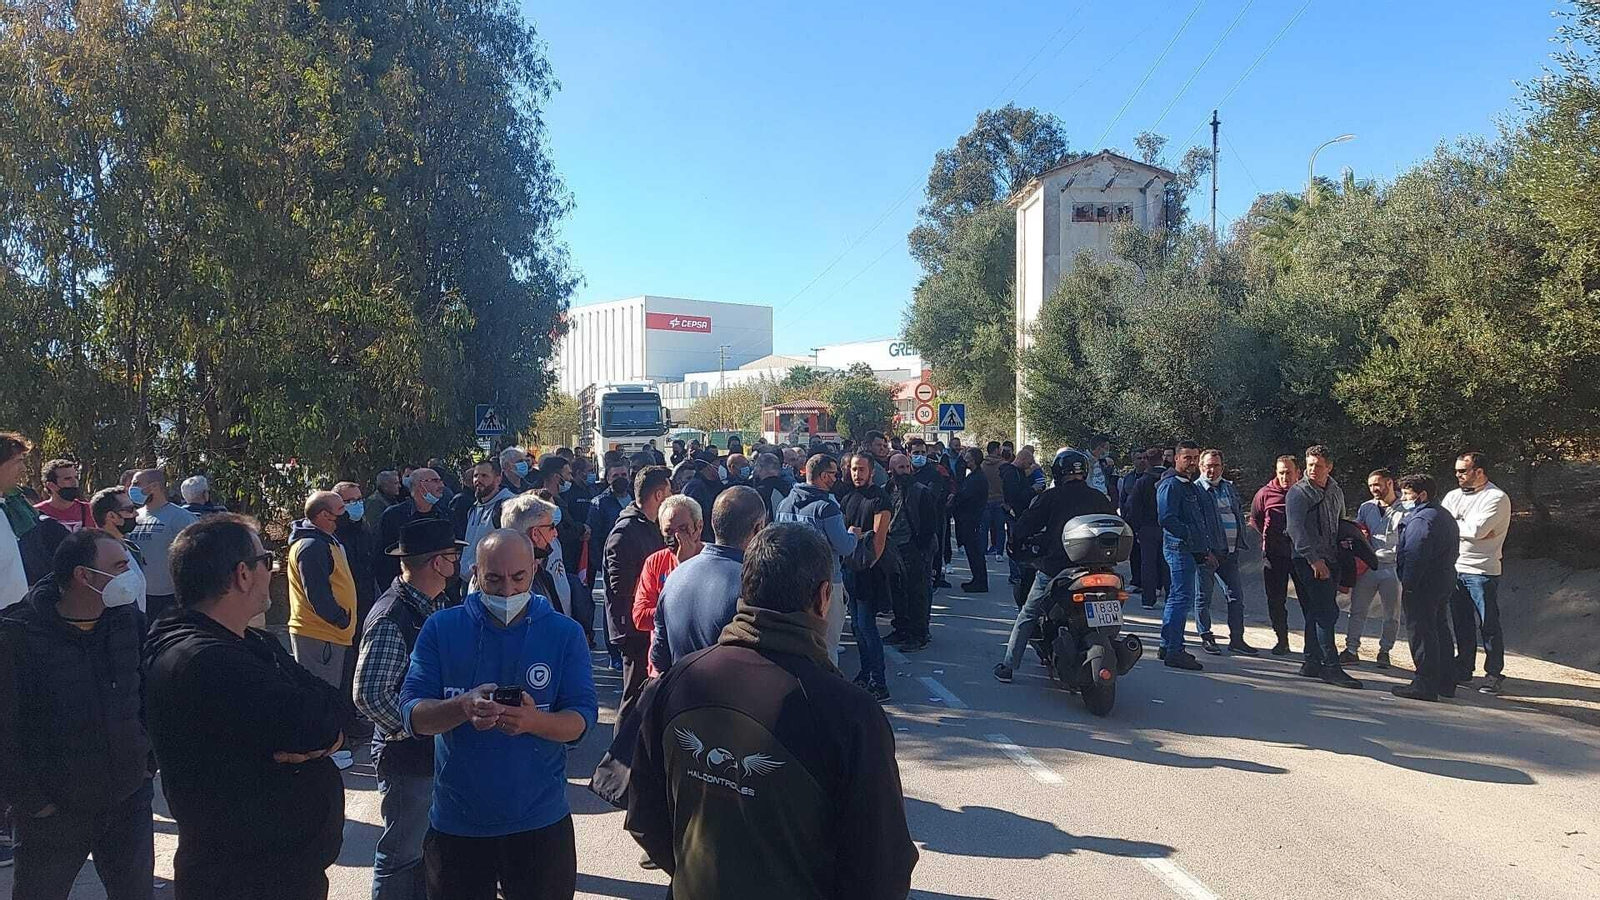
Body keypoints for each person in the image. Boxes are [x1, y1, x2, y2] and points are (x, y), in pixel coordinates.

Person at [624, 524, 918, 898]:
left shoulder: (679, 680)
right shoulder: (850, 712)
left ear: (745, 589)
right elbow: (882, 866)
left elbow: (644, 818)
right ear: (823, 597)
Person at [146, 514, 347, 899]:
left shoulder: (251, 643)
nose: (269, 569)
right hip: (245, 877)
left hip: (281, 867)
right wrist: (323, 737)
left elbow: (333, 706)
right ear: (242, 574)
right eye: (265, 559)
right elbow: (319, 724)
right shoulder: (205, 660)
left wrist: (322, 737)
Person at [400, 530, 598, 900]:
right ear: (475, 572)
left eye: (518, 578)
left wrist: (533, 722)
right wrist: (461, 708)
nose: (506, 590)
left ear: (535, 569)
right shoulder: (442, 628)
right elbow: (413, 714)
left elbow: (582, 719)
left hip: (539, 824)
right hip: (458, 826)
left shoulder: (564, 633)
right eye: (493, 579)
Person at [0, 529, 155, 900]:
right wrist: (32, 802)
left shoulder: (127, 622)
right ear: (83, 576)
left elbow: (148, 697)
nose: (129, 575)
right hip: (54, 814)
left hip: (127, 799)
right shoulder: (17, 636)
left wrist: (146, 763)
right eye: (118, 566)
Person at [355, 518, 461, 900]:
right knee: (400, 855)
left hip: (428, 753)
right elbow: (369, 694)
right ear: (437, 563)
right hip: (407, 757)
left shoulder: (434, 604)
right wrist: (417, 725)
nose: (457, 563)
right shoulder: (392, 616)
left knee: (423, 853)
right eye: (453, 556)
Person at [993, 449, 1114, 683]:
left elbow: (1025, 525)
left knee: (1028, 612)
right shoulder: (1100, 498)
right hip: (1101, 567)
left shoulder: (1051, 497)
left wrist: (1016, 539)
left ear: (1058, 472)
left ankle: (1008, 665)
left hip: (1059, 567)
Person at [651, 486, 766, 674]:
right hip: (731, 698)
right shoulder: (753, 583)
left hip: (681, 694)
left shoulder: (675, 577)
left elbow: (658, 657)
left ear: (711, 524)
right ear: (759, 527)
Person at [286, 490, 359, 770]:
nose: (347, 512)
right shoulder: (311, 546)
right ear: (324, 516)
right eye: (342, 508)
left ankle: (332, 744)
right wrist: (339, 618)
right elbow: (316, 593)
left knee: (332, 692)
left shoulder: (326, 541)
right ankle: (324, 749)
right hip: (319, 634)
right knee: (320, 694)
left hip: (332, 634)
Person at [773, 453, 862, 665]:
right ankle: (829, 691)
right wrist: (854, 535)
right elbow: (844, 546)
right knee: (827, 645)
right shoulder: (826, 507)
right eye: (833, 473)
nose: (836, 478)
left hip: (792, 582)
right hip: (826, 585)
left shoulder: (785, 504)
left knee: (797, 642)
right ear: (822, 476)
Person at [1285, 445, 1361, 689]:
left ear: (1329, 466)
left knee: (1316, 612)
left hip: (1331, 557)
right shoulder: (1299, 493)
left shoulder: (1335, 490)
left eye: (1318, 465)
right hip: (1309, 560)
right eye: (1309, 465)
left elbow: (1339, 521)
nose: (1312, 470)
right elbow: (1295, 529)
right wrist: (1314, 560)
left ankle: (1311, 662)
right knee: (1326, 612)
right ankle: (1330, 666)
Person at [604, 465, 671, 727]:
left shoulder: (648, 526)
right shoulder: (625, 533)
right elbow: (621, 588)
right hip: (633, 630)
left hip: (648, 626)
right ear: (658, 495)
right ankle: (618, 763)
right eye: (669, 491)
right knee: (633, 698)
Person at [1441, 450, 1513, 694]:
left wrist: (1461, 528)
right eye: (1457, 471)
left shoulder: (1496, 497)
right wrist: (1467, 529)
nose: (1458, 475)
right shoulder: (1452, 496)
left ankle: (1493, 673)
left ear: (1479, 471)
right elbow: (1442, 525)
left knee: (1488, 623)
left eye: (1463, 471)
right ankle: (1463, 668)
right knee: (1461, 622)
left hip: (1482, 570)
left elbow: (1479, 530)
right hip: (1455, 567)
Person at [1393, 474, 1461, 701]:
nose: (1403, 498)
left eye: (1407, 494)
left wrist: (1409, 583)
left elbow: (1414, 553)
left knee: (1422, 632)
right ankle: (1445, 681)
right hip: (1443, 580)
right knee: (1440, 629)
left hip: (1423, 584)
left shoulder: (1422, 520)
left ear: (1422, 495)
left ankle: (1424, 683)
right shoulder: (1444, 515)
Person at [1155, 442, 1213, 672]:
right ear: (1176, 459)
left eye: (1195, 458)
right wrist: (1189, 535)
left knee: (1178, 598)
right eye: (1187, 457)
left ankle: (1166, 645)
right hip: (1179, 548)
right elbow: (1167, 518)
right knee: (1181, 598)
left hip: (1189, 549)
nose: (1191, 462)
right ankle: (1175, 650)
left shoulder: (1189, 486)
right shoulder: (1171, 485)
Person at [634, 495, 704, 677]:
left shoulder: (712, 561)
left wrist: (688, 567)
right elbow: (640, 617)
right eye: (669, 531)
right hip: (663, 667)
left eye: (683, 529)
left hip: (702, 664)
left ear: (699, 527)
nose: (677, 537)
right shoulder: (655, 562)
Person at [841, 453, 893, 700]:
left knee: (866, 626)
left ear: (871, 471)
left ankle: (879, 681)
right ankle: (864, 673)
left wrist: (867, 562)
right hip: (850, 569)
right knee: (856, 627)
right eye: (853, 469)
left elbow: (879, 539)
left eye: (861, 469)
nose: (857, 474)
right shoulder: (848, 497)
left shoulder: (880, 499)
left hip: (869, 572)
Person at [1195, 449, 1256, 655]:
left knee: (1236, 597)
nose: (1212, 470)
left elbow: (1236, 512)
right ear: (1201, 467)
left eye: (1216, 465)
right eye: (1208, 466)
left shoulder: (1229, 487)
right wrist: (1204, 551)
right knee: (1204, 597)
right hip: (1208, 554)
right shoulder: (1196, 491)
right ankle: (1206, 636)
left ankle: (1237, 639)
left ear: (1222, 467)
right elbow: (1197, 524)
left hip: (1230, 553)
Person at [1345, 469, 1404, 668]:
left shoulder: (1407, 509)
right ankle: (1351, 649)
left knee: (1391, 613)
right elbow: (1360, 532)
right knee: (1357, 609)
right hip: (1369, 565)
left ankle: (1385, 651)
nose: (1374, 489)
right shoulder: (1366, 507)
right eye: (1370, 486)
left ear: (1390, 483)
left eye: (1377, 485)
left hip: (1394, 566)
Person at [126, 468, 199, 625]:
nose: (132, 489)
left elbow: (195, 556)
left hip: (170, 598)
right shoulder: (134, 517)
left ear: (154, 486)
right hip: (138, 597)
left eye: (137, 484)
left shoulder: (180, 517)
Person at [884, 453, 938, 653]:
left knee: (917, 593)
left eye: (907, 467)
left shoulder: (920, 492)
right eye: (901, 467)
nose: (905, 471)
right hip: (893, 548)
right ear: (891, 470)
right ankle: (901, 629)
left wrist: (921, 547)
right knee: (897, 591)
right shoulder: (887, 490)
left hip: (914, 547)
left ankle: (919, 634)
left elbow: (930, 524)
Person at [1250, 455, 1301, 655]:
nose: (1284, 476)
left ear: (1298, 472)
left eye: (1289, 472)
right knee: (1276, 600)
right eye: (1281, 472)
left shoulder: (1305, 492)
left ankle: (1314, 645)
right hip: (1274, 555)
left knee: (1308, 600)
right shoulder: (1265, 493)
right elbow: (1255, 518)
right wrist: (1269, 536)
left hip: (1302, 555)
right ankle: (1282, 640)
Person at [584, 460, 632, 647]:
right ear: (607, 479)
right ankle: (614, 650)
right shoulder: (599, 503)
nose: (620, 479)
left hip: (636, 559)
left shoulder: (636, 499)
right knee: (611, 606)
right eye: (615, 476)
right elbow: (593, 537)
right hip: (611, 563)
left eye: (623, 476)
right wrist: (598, 562)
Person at [376, 467, 448, 589]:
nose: (441, 485)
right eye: (435, 481)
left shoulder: (446, 515)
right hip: (404, 589)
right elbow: (383, 559)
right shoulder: (393, 516)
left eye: (441, 481)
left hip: (441, 589)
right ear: (421, 485)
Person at [1124, 448, 1168, 610]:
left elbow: (1133, 507)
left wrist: (1136, 528)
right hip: (1166, 528)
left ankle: (1148, 599)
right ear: (1162, 460)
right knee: (1167, 563)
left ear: (1148, 462)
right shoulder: (1171, 478)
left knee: (1147, 564)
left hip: (1147, 528)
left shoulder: (1142, 481)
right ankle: (1170, 596)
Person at [452, 458, 514, 574]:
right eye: (476, 476)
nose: (478, 480)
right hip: (469, 580)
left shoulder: (508, 506)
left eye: (484, 476)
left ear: (498, 479)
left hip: (491, 580)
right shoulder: (474, 508)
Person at [90, 487, 149, 593]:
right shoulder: (94, 555)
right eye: (130, 509)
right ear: (112, 516)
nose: (136, 514)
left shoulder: (133, 549)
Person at [952, 447, 990, 592]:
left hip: (973, 519)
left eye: (967, 458)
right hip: (971, 518)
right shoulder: (974, 476)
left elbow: (964, 495)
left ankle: (980, 581)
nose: (964, 461)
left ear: (973, 460)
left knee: (975, 551)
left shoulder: (977, 478)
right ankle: (977, 579)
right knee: (973, 551)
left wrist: (954, 501)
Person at [34, 458, 90, 532]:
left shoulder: (89, 510)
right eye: (67, 479)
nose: (74, 482)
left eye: (76, 477)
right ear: (51, 485)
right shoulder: (36, 513)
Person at [680, 455, 724, 544]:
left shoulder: (713, 485)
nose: (720, 468)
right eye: (717, 465)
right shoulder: (695, 488)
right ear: (708, 467)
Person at [979, 441, 1007, 555]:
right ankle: (999, 552)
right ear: (996, 450)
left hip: (986, 500)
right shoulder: (1003, 465)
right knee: (1000, 528)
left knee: (984, 529)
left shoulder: (982, 465)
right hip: (1000, 499)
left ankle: (983, 551)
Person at [1086, 434, 1117, 502]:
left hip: (1104, 498)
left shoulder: (1105, 462)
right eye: (1106, 449)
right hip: (1090, 499)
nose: (1107, 452)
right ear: (1099, 448)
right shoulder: (1084, 460)